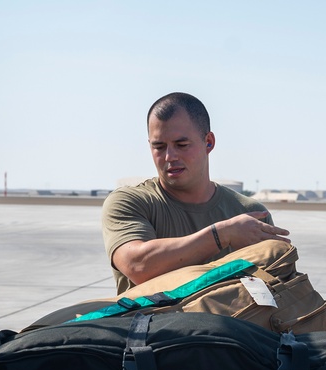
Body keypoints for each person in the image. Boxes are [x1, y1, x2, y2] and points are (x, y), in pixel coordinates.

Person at [102, 92, 290, 293]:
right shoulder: (131, 202)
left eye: (181, 145)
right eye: (159, 146)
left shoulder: (249, 213)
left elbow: (277, 295)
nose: (169, 156)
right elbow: (138, 266)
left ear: (208, 142)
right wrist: (222, 235)